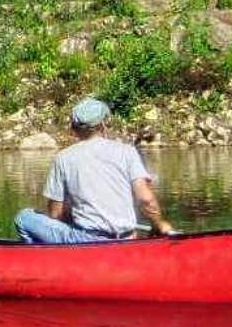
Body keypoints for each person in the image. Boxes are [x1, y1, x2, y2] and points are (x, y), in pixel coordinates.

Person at [14, 96, 173, 244]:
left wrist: (73, 217)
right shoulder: (127, 151)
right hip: (127, 238)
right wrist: (159, 224)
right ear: (102, 125)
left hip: (87, 240)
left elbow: (56, 214)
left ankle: (51, 261)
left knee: (24, 217)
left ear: (75, 130)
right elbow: (146, 200)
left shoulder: (64, 158)